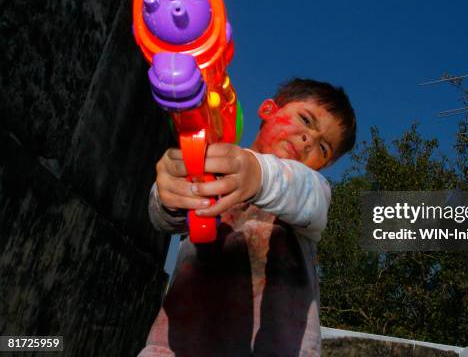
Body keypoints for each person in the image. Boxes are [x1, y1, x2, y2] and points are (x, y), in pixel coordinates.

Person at [138, 78, 357, 356]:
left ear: (323, 167)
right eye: (306, 120)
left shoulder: (311, 192)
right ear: (268, 110)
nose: (308, 141)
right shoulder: (216, 168)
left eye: (323, 148)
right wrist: (168, 192)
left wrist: (257, 174)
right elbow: (166, 218)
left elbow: (307, 194)